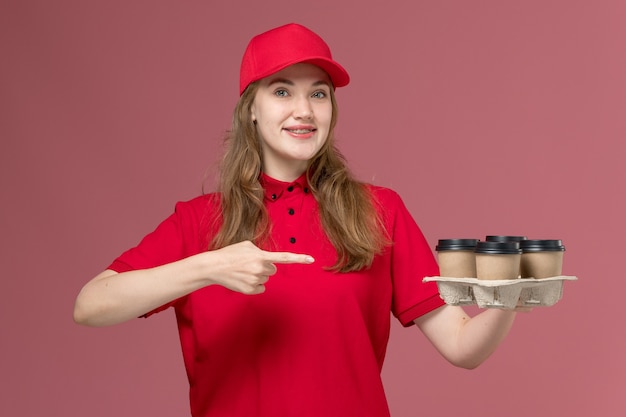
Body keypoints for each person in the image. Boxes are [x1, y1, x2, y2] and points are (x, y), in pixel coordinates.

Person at [74, 23, 522, 417]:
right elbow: (91, 305)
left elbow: (462, 347)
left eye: (318, 93)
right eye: (282, 90)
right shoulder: (199, 221)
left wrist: (510, 297)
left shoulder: (380, 211)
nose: (304, 110)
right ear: (251, 107)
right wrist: (208, 267)